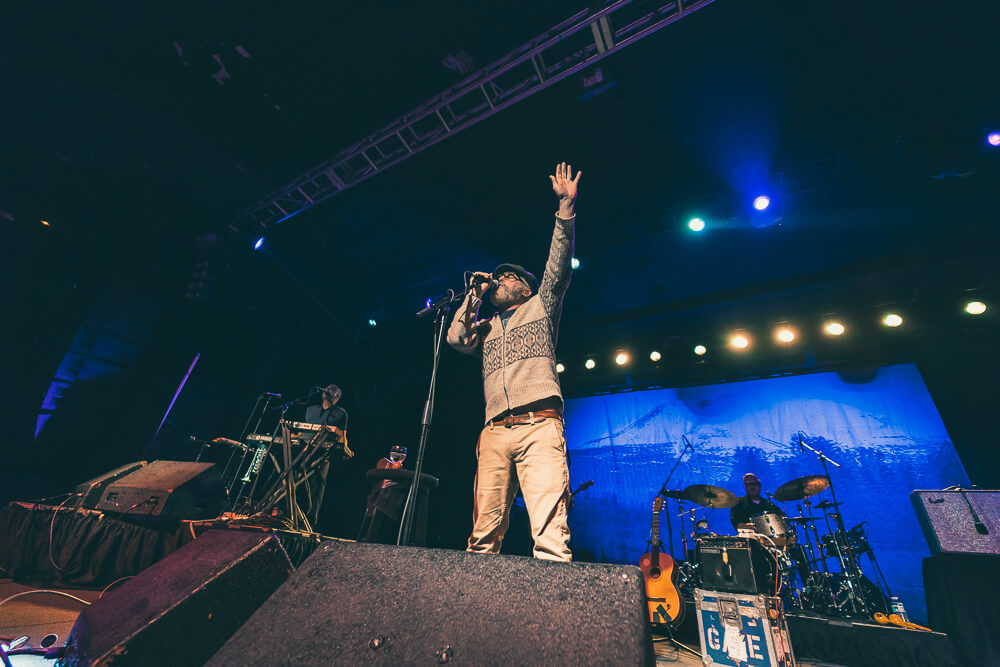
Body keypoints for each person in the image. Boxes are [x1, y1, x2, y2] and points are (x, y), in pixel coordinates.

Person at [446, 161, 581, 562]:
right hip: (494, 433)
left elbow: (557, 268)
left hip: (539, 425)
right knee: (482, 538)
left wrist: (565, 211)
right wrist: (474, 295)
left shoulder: (540, 307)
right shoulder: (485, 327)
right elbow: (456, 338)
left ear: (524, 288)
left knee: (550, 537)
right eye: (498, 278)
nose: (500, 282)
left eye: (508, 279)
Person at [299, 384, 349, 524]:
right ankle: (289, 515)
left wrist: (344, 449)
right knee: (295, 479)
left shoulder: (341, 413)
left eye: (333, 390)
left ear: (337, 397)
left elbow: (342, 435)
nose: (328, 391)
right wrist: (293, 435)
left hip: (324, 453)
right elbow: (303, 431)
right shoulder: (310, 409)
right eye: (327, 388)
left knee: (318, 482)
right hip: (304, 449)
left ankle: (310, 520)